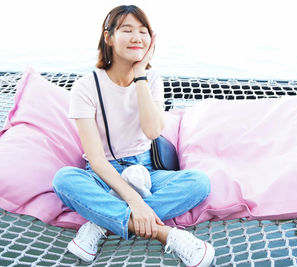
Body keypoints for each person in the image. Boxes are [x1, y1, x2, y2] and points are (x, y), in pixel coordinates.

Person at [52, 5, 215, 266]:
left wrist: (140, 76)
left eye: (143, 31)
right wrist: (135, 201)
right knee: (64, 180)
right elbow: (95, 158)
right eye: (127, 30)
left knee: (199, 183)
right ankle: (167, 234)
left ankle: (101, 224)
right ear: (109, 37)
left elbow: (152, 132)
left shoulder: (151, 79)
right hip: (103, 173)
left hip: (147, 171)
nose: (137, 37)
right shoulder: (86, 86)